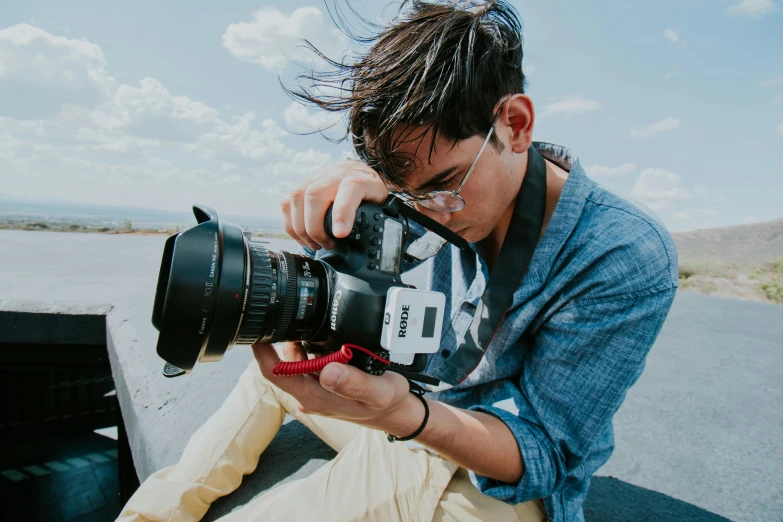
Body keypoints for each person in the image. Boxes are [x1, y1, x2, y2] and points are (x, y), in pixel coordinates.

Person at [118, 1, 678, 521]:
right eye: (408, 194)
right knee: (274, 372)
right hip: (406, 401)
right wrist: (342, 233)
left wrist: (401, 416)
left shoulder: (620, 253)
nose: (433, 212)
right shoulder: (414, 184)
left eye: (444, 185)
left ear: (515, 123)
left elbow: (547, 453)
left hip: (482, 469)